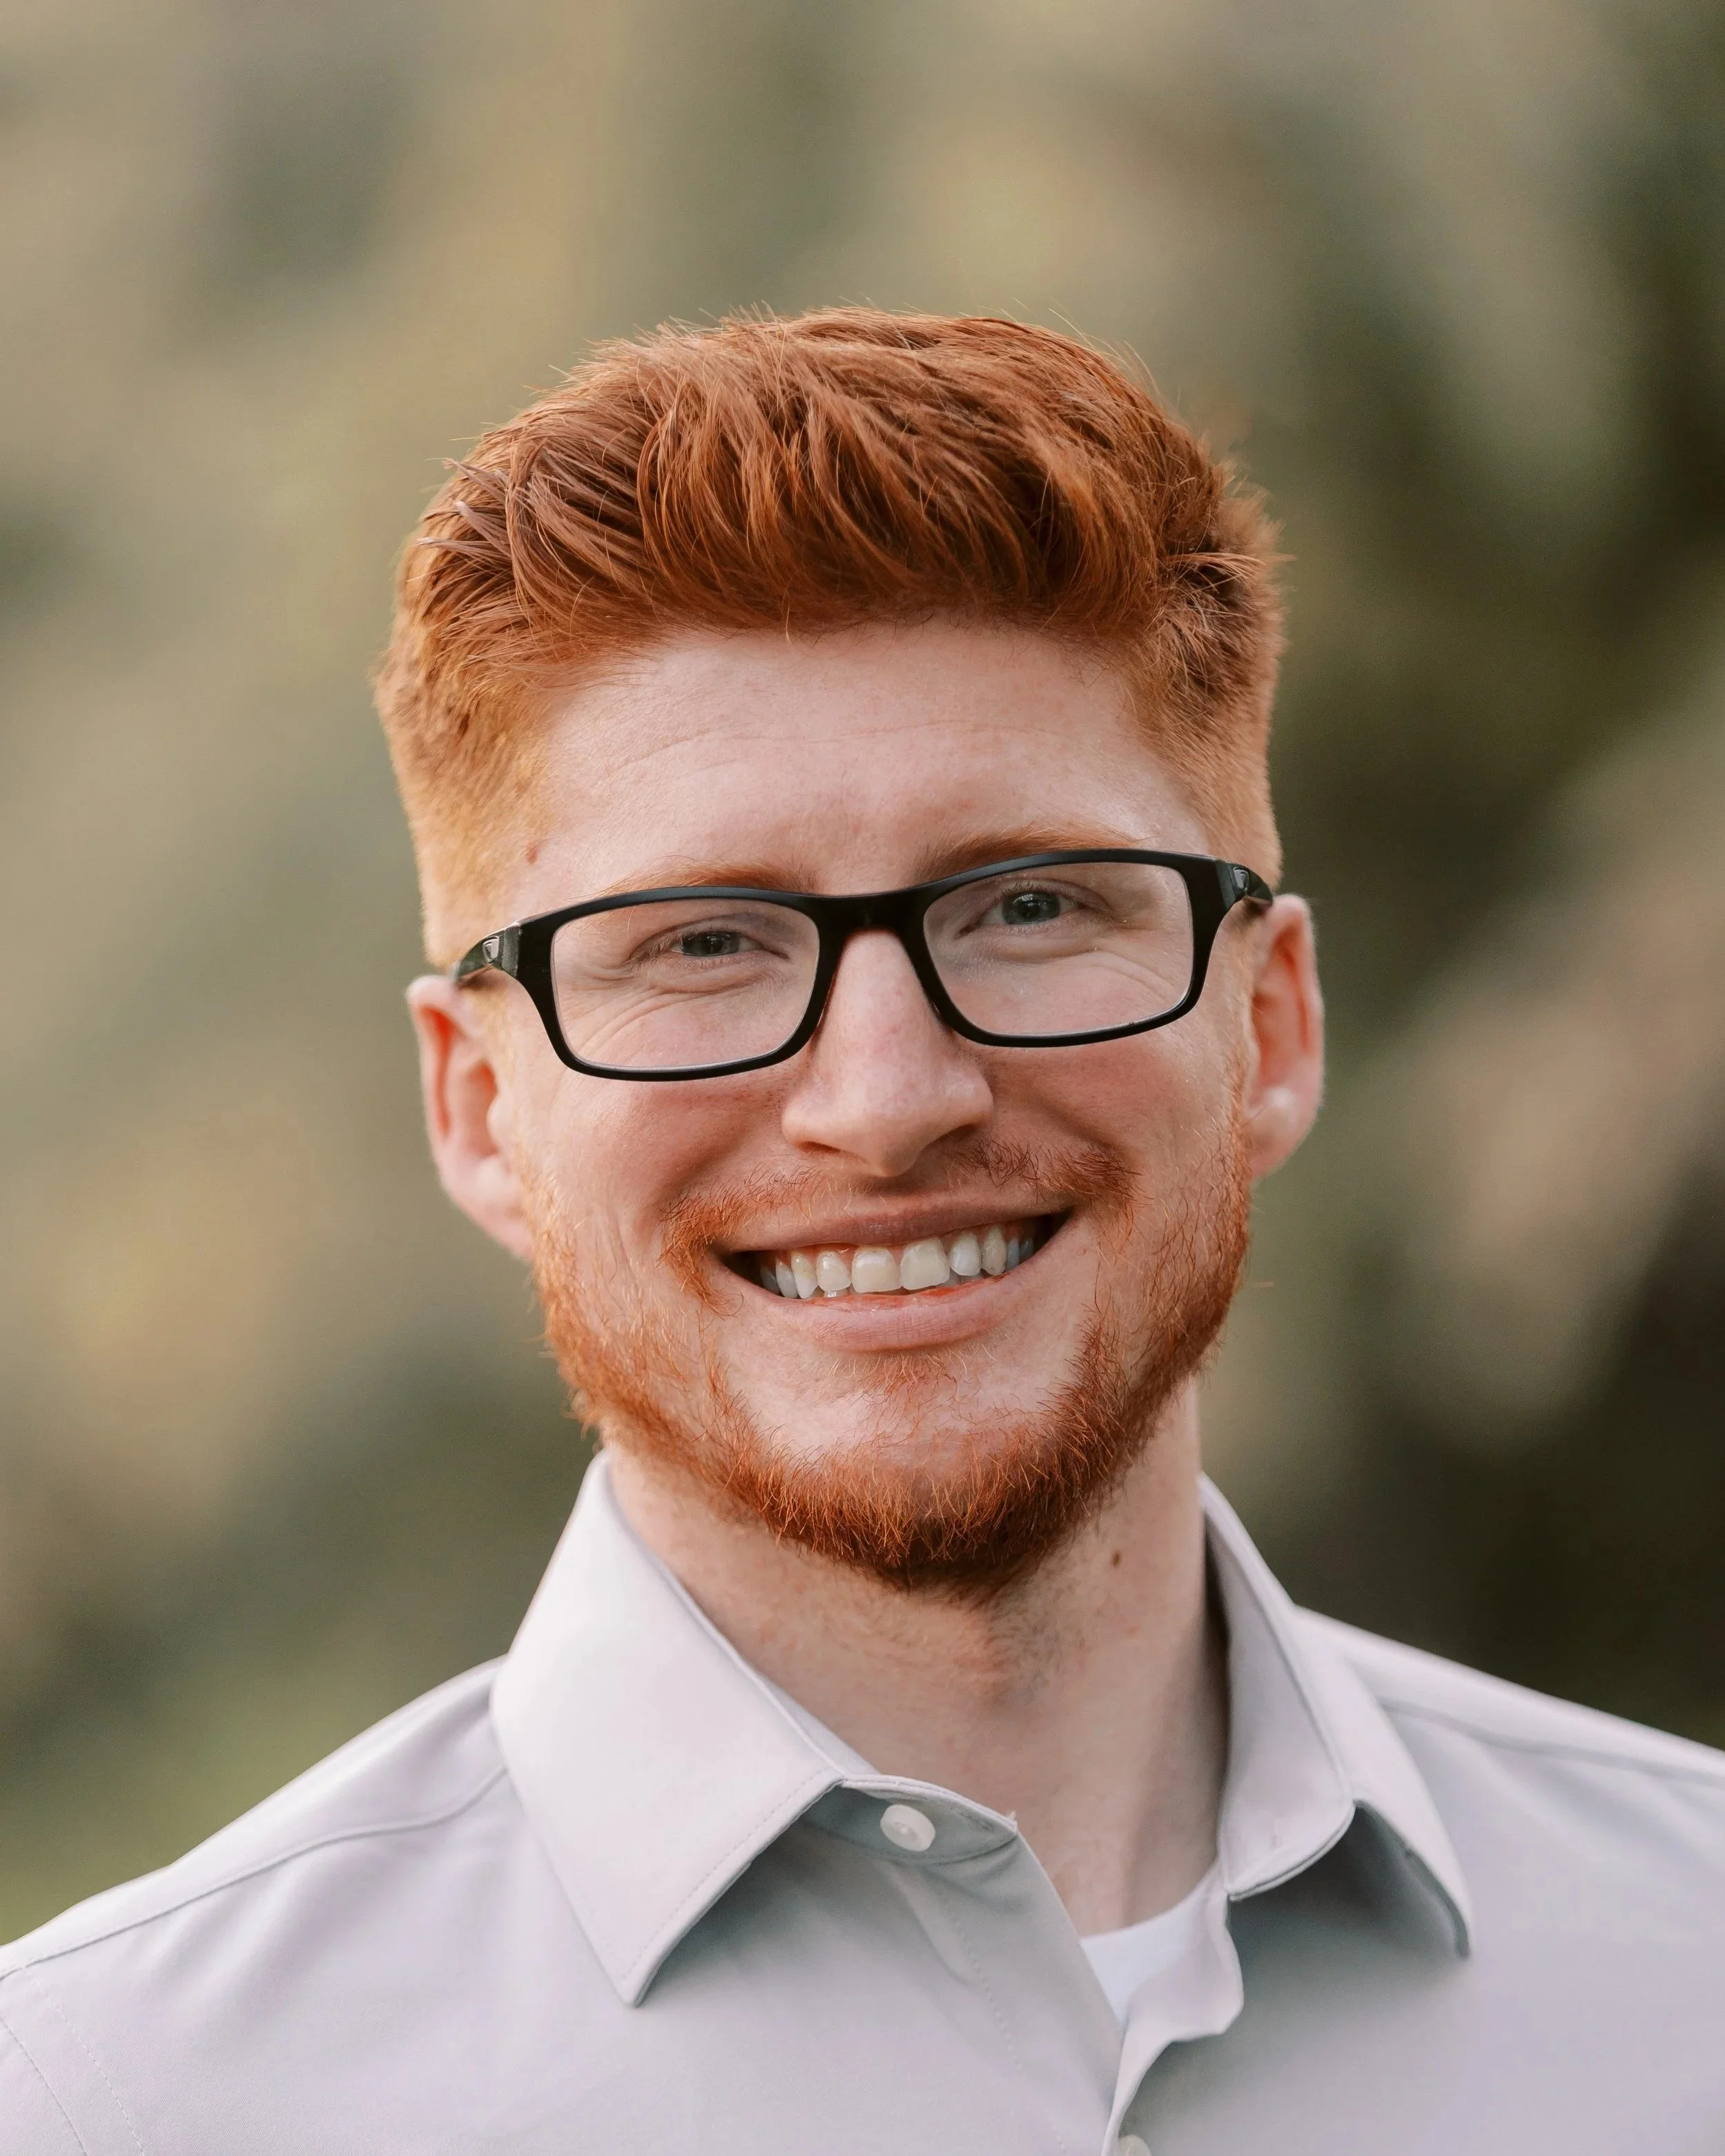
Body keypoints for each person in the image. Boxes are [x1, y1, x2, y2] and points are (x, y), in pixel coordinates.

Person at [3, 309, 1721, 2155]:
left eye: (1037, 903)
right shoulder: (113, 2101)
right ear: (480, 1107)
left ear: (1275, 1023)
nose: (890, 1095)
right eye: (703, 943)